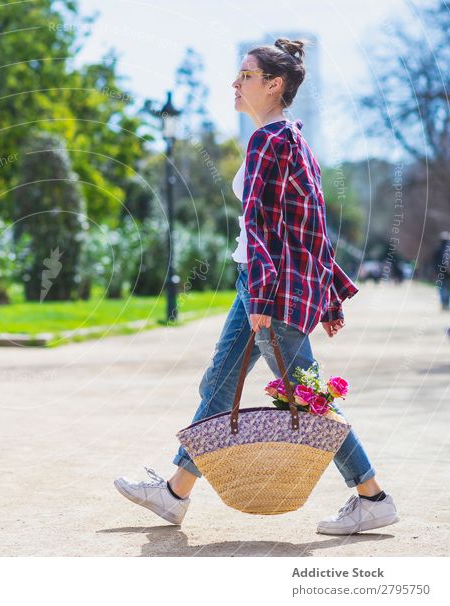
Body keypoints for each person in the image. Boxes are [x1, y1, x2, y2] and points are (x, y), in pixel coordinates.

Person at [114, 38, 399, 535]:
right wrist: (326, 293)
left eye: (246, 76)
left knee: (307, 398)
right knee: (220, 387)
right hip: (260, 285)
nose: (236, 83)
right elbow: (311, 225)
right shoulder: (290, 139)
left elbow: (269, 228)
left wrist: (266, 296)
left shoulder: (270, 141)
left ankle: (372, 494)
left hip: (267, 290)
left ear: (274, 85)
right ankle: (175, 494)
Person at [432, 231, 450, 311]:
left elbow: (434, 263)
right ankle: (446, 303)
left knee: (442, 288)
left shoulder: (437, 249)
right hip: (448, 272)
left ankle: (444, 303)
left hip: (439, 272)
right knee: (447, 288)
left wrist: (435, 272)